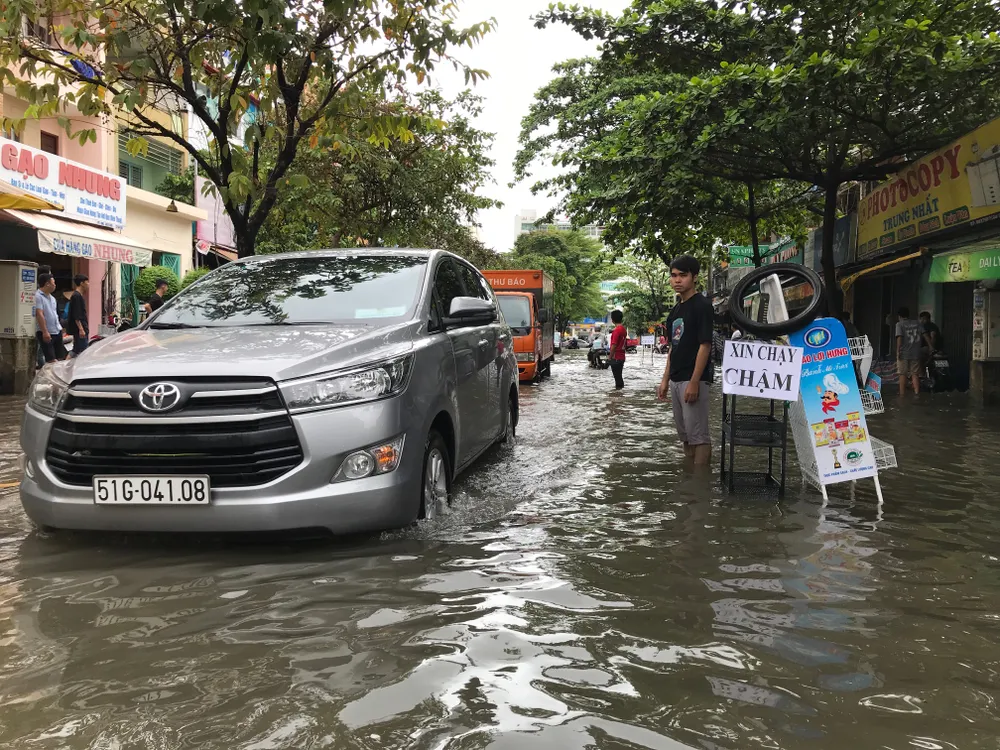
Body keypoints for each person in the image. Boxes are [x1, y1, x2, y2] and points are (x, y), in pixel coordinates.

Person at [657, 255, 714, 465]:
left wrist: (694, 381)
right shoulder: (675, 310)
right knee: (686, 436)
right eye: (673, 275)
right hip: (676, 378)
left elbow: (705, 345)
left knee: (699, 437)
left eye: (683, 275)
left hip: (694, 378)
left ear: (694, 277)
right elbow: (673, 347)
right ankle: (689, 476)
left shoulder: (702, 305)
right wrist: (665, 379)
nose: (677, 280)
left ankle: (700, 481)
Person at [33, 273, 68, 364]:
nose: (55, 285)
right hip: (46, 332)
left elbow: (54, 314)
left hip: (56, 330)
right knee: (51, 359)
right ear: (47, 284)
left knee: (60, 357)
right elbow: (39, 314)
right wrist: (45, 331)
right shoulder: (38, 296)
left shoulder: (52, 298)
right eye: (53, 283)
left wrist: (60, 328)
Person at [896, 307, 923, 397]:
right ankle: (916, 393)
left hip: (904, 353)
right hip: (916, 352)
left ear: (899, 316)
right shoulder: (917, 323)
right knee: (915, 374)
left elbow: (899, 338)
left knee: (902, 374)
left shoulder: (899, 324)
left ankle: (902, 394)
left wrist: (898, 351)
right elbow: (924, 334)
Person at [67, 274, 90, 357]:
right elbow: (76, 314)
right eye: (87, 282)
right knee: (83, 351)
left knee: (76, 350)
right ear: (81, 283)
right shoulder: (76, 296)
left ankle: (66, 363)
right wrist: (81, 329)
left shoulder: (78, 296)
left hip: (81, 328)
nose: (88, 284)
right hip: (79, 329)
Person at [608, 310, 627, 390]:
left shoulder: (616, 331)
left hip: (616, 357)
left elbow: (614, 345)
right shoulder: (623, 329)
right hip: (622, 357)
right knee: (619, 377)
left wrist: (609, 357)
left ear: (612, 320)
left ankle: (618, 395)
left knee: (617, 379)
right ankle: (620, 394)